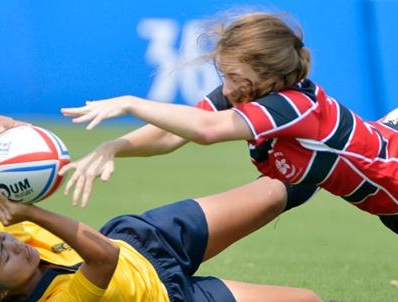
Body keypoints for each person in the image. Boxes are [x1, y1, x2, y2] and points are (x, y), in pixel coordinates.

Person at [60, 12, 397, 233]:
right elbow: (169, 134)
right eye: (223, 74)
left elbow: (207, 130)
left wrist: (131, 102)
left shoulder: (291, 105)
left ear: (270, 74)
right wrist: (115, 146)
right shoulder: (246, 93)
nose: (227, 87)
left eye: (235, 76)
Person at [0, 178, 359, 302]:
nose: (16, 244)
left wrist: (0, 132)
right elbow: (101, 258)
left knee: (272, 192)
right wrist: (34, 213)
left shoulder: (7, 233)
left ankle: (363, 148)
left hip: (146, 240)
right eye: (6, 256)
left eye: (5, 239)